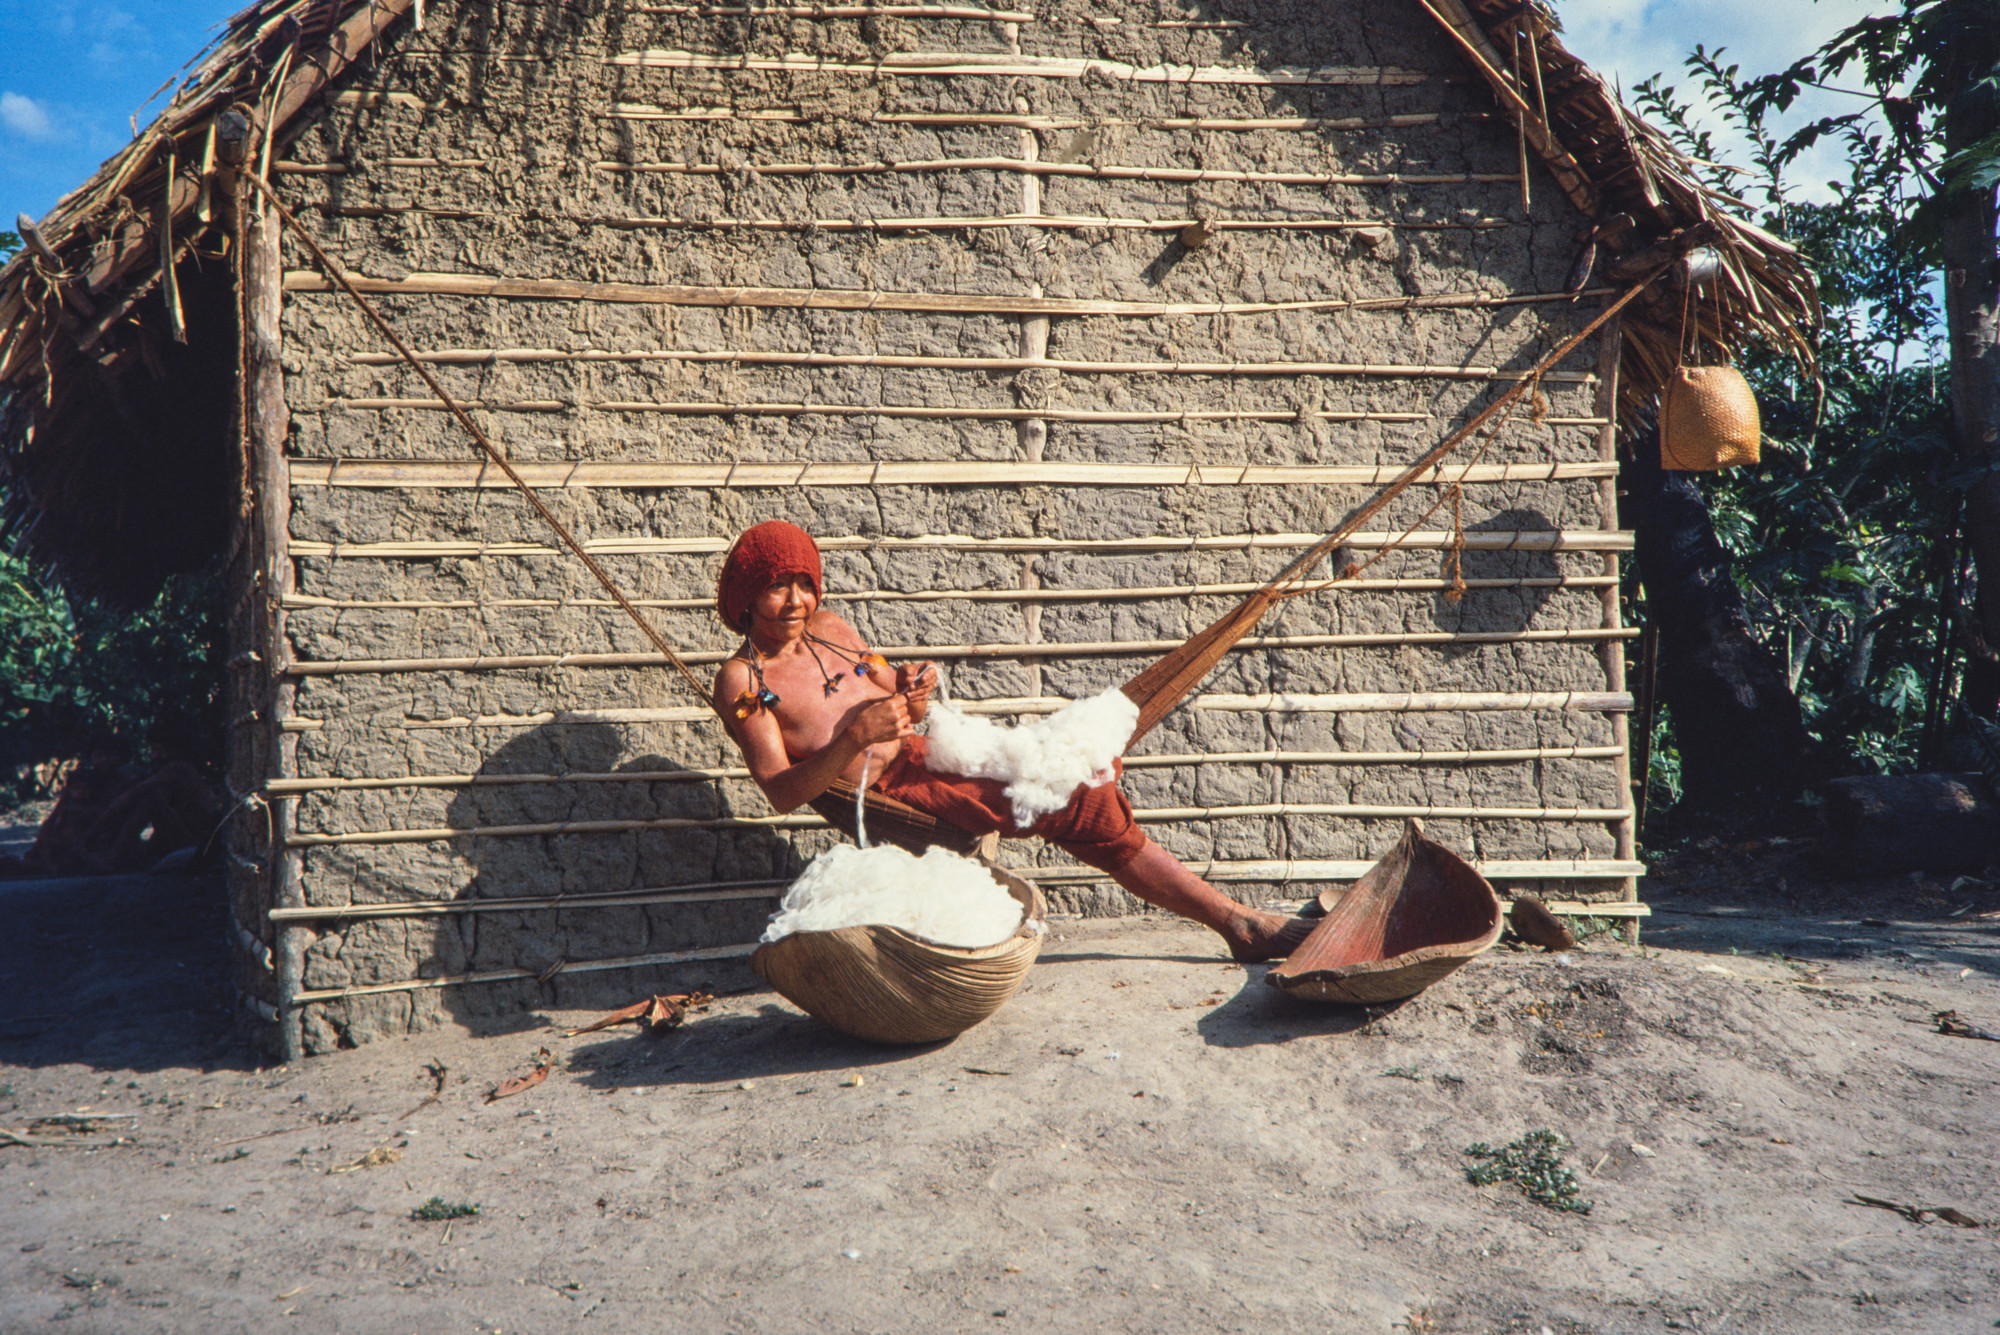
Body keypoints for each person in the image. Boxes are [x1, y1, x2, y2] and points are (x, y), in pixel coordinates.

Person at [710, 520, 1315, 962]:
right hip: (891, 800)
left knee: (1078, 777)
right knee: (1081, 799)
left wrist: (916, 688)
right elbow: (780, 792)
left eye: (804, 584)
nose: (795, 601)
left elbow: (892, 682)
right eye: (776, 587)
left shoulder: (831, 628)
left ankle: (1236, 922)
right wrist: (850, 741)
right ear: (746, 595)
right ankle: (1236, 922)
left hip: (929, 759)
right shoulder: (744, 680)